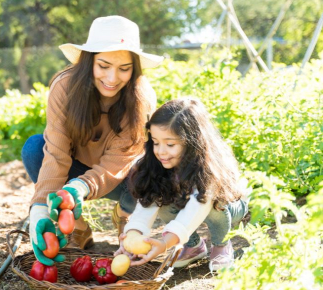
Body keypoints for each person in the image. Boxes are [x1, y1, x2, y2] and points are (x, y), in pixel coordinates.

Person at [22, 15, 165, 266]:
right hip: (74, 167)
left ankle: (125, 215)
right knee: (34, 149)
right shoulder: (64, 87)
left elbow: (120, 159)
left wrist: (80, 187)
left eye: (124, 69)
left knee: (149, 165)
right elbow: (56, 152)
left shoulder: (141, 97)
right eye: (104, 65)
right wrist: (40, 208)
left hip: (120, 177)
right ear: (89, 61)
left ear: (134, 68)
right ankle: (76, 226)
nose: (112, 78)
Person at [114, 98, 250, 271]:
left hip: (229, 207)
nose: (161, 151)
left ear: (192, 142)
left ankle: (221, 244)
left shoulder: (209, 169)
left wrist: (165, 243)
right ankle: (193, 246)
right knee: (163, 200)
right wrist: (133, 235)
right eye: (156, 142)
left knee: (216, 204)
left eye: (170, 144)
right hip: (187, 201)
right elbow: (147, 205)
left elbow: (197, 207)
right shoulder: (157, 164)